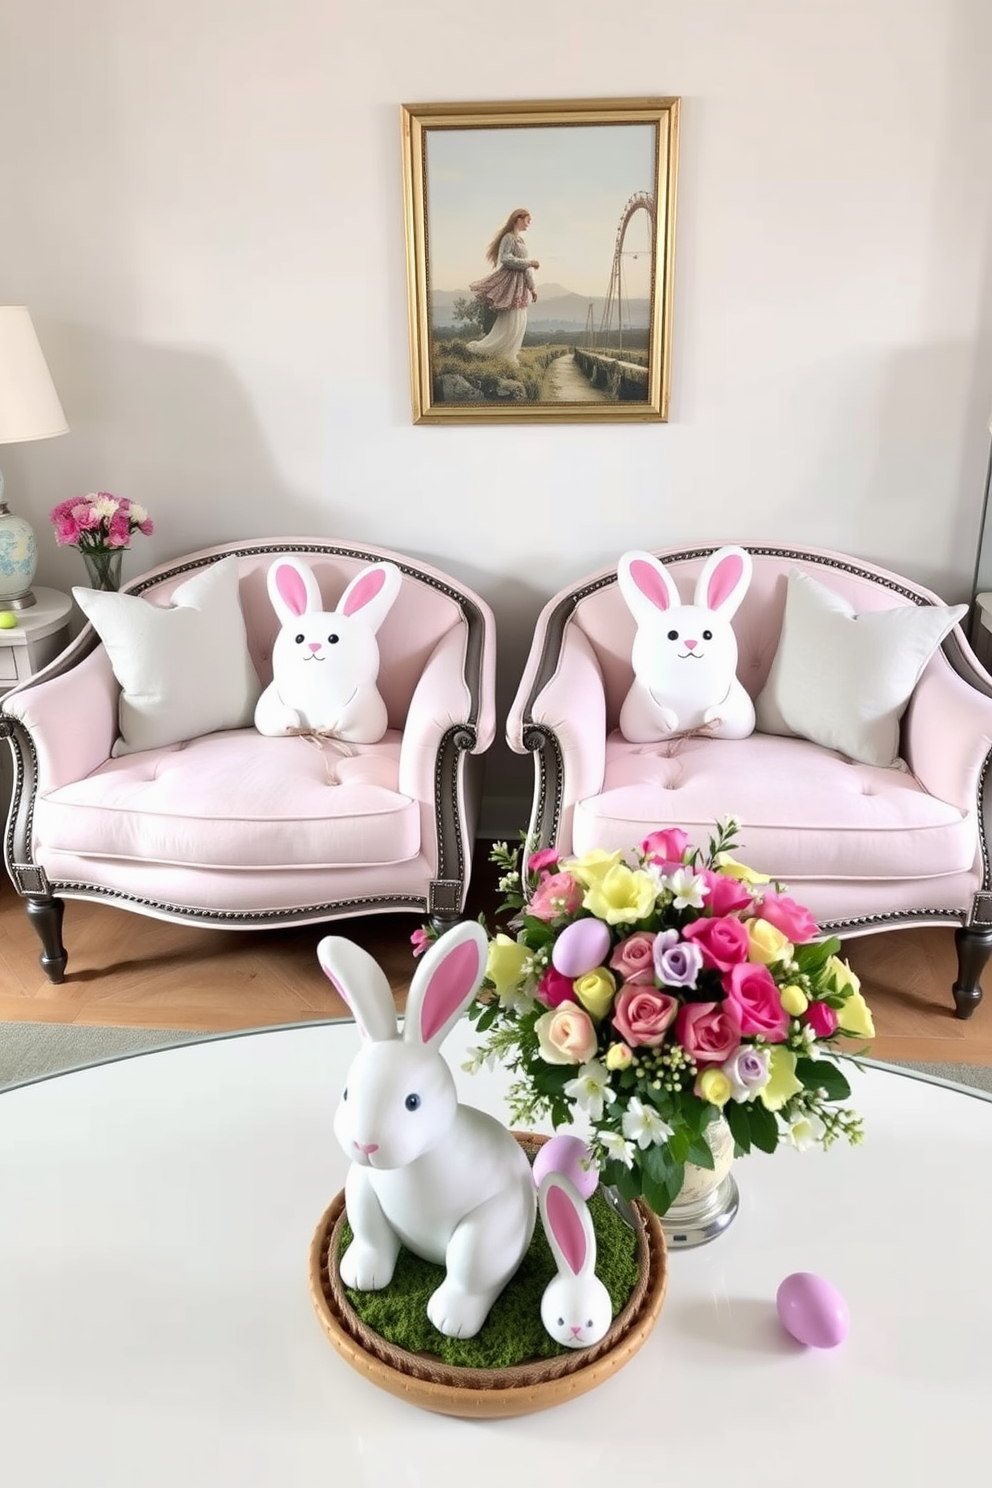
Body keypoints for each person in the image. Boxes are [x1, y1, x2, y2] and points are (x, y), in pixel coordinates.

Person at [465, 208, 540, 364]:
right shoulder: (509, 238)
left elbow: (527, 268)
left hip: (521, 286)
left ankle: (509, 355)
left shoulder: (521, 240)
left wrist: (532, 287)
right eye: (527, 220)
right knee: (510, 321)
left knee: (519, 322)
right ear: (518, 219)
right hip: (511, 285)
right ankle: (491, 351)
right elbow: (505, 258)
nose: (529, 224)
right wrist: (529, 262)